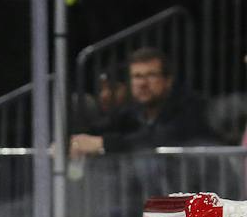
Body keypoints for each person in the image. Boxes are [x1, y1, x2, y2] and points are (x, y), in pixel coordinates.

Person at [70, 47, 217, 159]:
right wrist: (74, 141)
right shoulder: (133, 112)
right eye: (137, 76)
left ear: (168, 81)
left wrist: (103, 144)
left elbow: (160, 138)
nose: (142, 83)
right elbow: (103, 129)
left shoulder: (191, 106)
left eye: (151, 75)